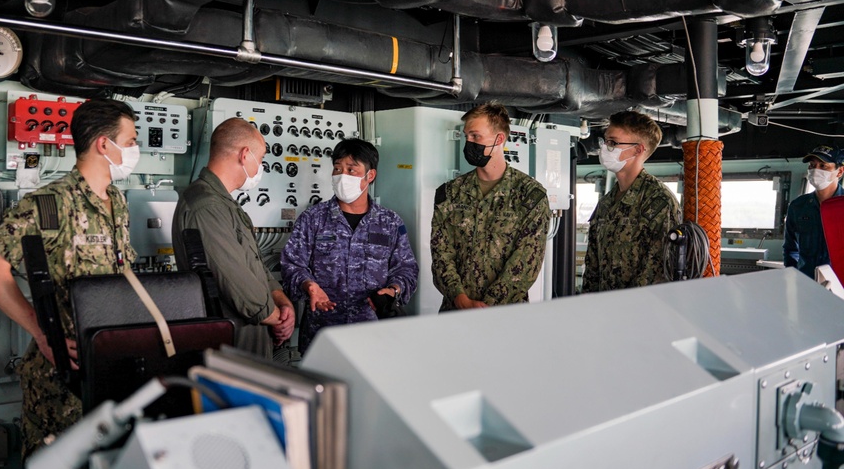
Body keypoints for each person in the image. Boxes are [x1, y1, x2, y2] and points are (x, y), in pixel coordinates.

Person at [0, 98, 140, 469]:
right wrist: (42, 334)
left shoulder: (116, 201)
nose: (135, 150)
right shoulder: (49, 203)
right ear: (105, 145)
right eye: (131, 141)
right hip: (60, 380)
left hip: (109, 367)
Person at [280, 138, 419, 352]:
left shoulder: (390, 222)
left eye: (351, 170)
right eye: (337, 169)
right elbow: (291, 264)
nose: (342, 176)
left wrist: (393, 290)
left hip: (374, 337)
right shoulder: (313, 218)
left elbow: (406, 269)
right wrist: (310, 286)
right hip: (323, 335)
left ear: (369, 176)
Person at [172, 118, 294, 358]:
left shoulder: (223, 203)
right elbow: (235, 280)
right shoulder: (206, 206)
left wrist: (283, 302)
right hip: (233, 342)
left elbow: (255, 266)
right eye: (261, 160)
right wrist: (277, 317)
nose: (260, 167)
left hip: (252, 334)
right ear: (245, 155)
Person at [431, 102, 552, 310]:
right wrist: (459, 297)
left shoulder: (529, 196)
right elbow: (441, 253)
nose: (468, 142)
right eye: (466, 136)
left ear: (499, 139)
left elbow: (525, 262)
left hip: (505, 315)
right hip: (455, 311)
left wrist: (490, 304)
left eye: (476, 136)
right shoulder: (450, 193)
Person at [581, 110, 681, 292]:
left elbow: (657, 270)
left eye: (613, 142)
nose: (605, 148)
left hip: (639, 310)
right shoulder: (606, 202)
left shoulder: (658, 201)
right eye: (605, 141)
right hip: (603, 309)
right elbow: (593, 265)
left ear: (637, 149)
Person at [784, 145, 844, 277]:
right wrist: (793, 276)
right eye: (812, 165)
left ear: (839, 172)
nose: (815, 170)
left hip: (839, 286)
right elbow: (790, 248)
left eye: (823, 166)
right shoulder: (798, 206)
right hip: (806, 281)